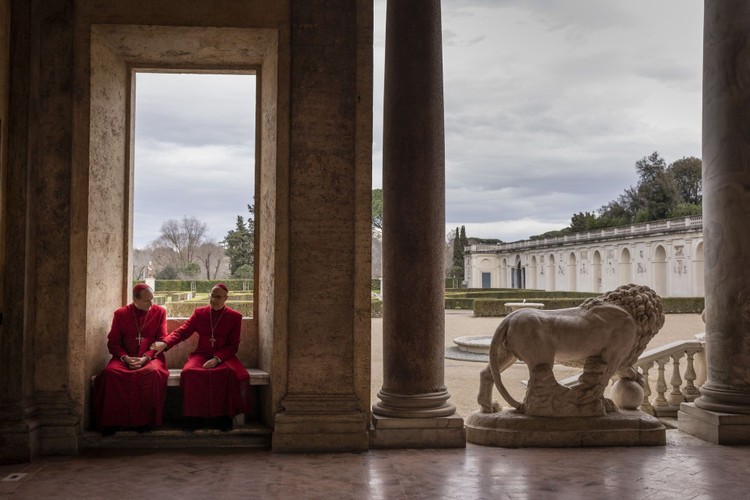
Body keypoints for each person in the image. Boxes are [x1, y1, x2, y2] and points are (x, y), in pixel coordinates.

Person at [151, 283, 250, 431]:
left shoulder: (235, 317)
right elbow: (182, 332)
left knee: (227, 374)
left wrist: (216, 359)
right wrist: (165, 344)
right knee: (189, 373)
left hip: (224, 357)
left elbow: (232, 346)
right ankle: (193, 418)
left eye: (218, 297)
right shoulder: (200, 313)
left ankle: (223, 418)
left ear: (225, 298)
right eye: (212, 295)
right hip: (202, 354)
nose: (213, 299)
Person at [92, 284, 169, 435]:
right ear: (135, 300)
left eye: (152, 299)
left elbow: (162, 339)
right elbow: (113, 342)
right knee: (111, 374)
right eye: (147, 301)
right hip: (124, 357)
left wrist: (146, 357)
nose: (151, 304)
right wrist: (125, 358)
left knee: (151, 373)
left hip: (151, 357)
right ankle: (112, 422)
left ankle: (144, 422)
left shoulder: (159, 312)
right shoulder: (121, 314)